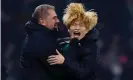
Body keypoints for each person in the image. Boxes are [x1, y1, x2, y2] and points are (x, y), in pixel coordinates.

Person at [47, 3, 99, 80]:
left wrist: (64, 61)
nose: (77, 28)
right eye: (74, 25)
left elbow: (83, 72)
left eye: (81, 25)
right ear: (68, 28)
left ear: (87, 30)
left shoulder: (90, 47)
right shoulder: (61, 44)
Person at [20, 4, 68, 80]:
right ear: (42, 21)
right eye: (54, 18)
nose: (58, 20)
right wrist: (67, 62)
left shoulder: (37, 35)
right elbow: (59, 72)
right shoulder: (41, 40)